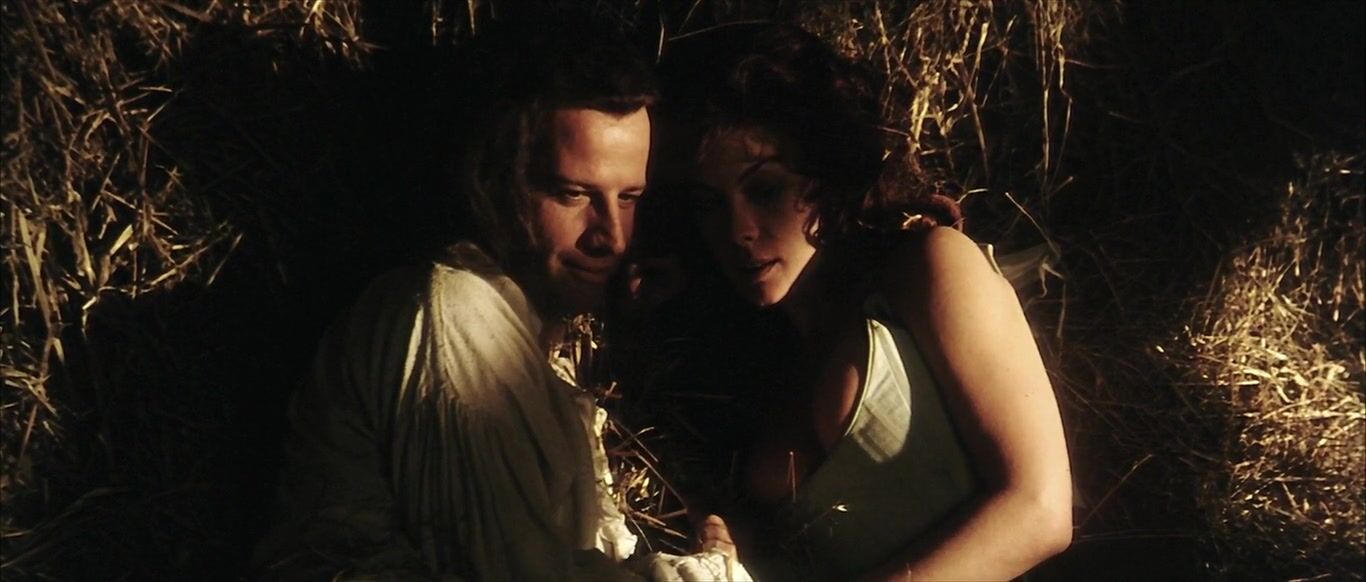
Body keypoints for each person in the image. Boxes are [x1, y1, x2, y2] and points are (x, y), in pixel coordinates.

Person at [626, 23, 1073, 581]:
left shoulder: (929, 266)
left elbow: (1039, 510)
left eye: (765, 189)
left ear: (826, 175)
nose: (738, 230)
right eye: (709, 204)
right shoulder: (756, 354)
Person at [251, 11, 656, 580]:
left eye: (629, 198)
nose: (610, 236)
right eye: (572, 194)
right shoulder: (456, 319)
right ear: (498, 181)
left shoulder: (534, 344)